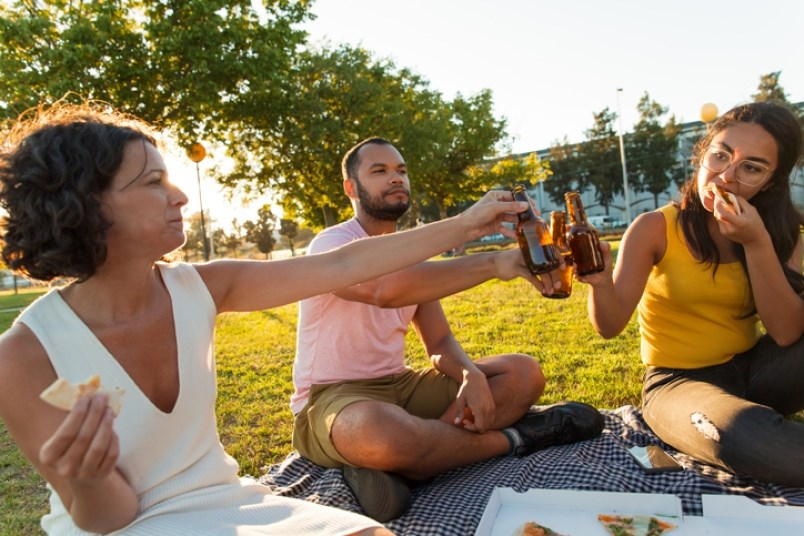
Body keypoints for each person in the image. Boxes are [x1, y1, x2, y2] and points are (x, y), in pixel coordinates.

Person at [0, 103, 532, 535]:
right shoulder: (23, 355)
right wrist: (88, 479)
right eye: (153, 182)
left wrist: (470, 225)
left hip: (226, 502)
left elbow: (344, 265)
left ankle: (422, 456)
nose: (180, 196)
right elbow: (106, 517)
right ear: (88, 207)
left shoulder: (202, 287)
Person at [291, 137, 604, 521]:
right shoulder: (332, 244)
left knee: (523, 373)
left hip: (400, 386)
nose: (396, 178)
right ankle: (516, 437)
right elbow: (383, 289)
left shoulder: (414, 254)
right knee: (377, 430)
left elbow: (438, 341)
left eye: (401, 171)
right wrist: (493, 263)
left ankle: (407, 461)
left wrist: (469, 372)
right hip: (331, 397)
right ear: (351, 188)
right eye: (379, 171)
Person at [579, 101, 804, 486]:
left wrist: (757, 243)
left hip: (756, 370)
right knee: (741, 433)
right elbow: (609, 325)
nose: (726, 177)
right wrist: (600, 283)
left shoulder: (780, 233)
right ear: (702, 155)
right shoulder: (654, 227)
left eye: (751, 168)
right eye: (720, 156)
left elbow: (786, 334)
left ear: (770, 182)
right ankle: (756, 430)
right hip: (676, 384)